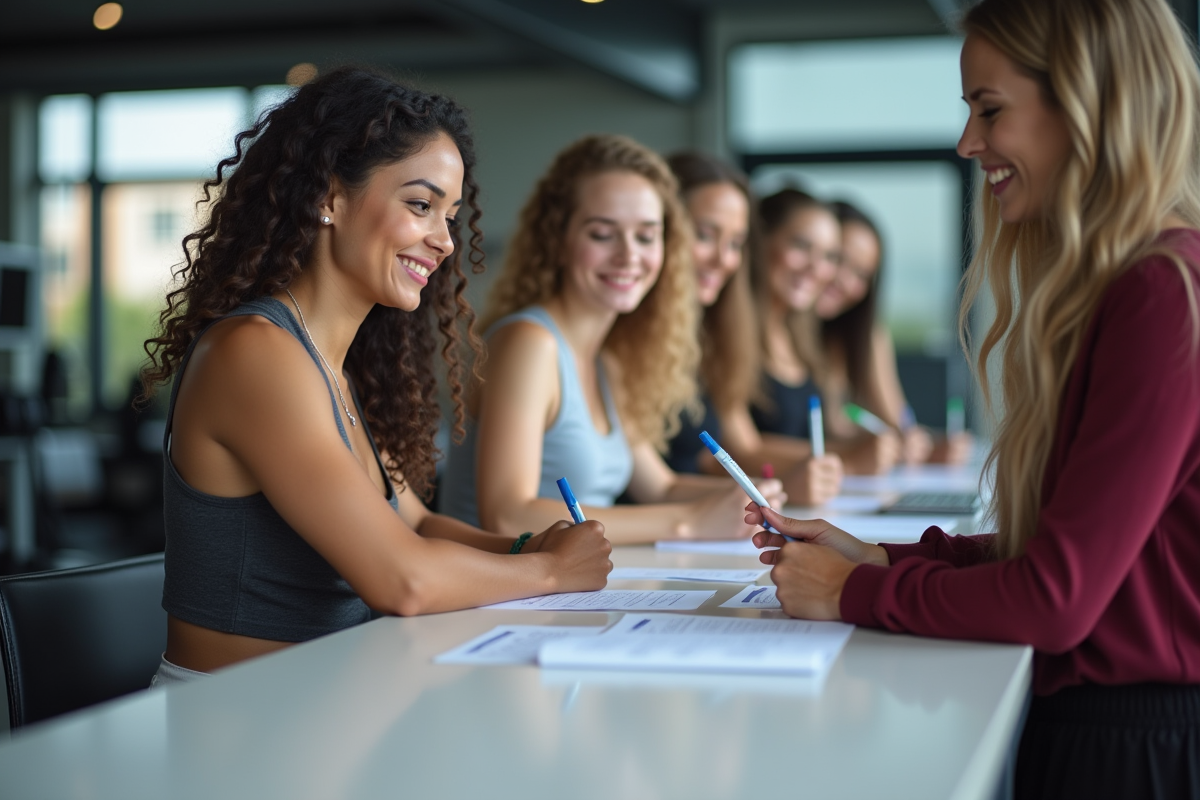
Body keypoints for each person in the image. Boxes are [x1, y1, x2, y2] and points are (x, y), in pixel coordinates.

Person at [749, 0, 1200, 795]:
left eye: (990, 110)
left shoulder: (1162, 290)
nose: (968, 143)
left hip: (1135, 746)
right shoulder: (1140, 282)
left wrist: (854, 592)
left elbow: (1055, 599)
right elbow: (1072, 555)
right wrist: (883, 556)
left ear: (1090, 104)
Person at [140, 68, 612, 684]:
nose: (444, 242)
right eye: (420, 205)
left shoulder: (331, 364)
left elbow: (413, 522)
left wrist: (530, 548)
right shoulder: (254, 352)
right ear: (327, 198)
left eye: (449, 216)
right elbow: (403, 578)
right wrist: (553, 574)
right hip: (234, 728)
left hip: (329, 704)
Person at [439, 135, 784, 544]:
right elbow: (509, 514)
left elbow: (661, 488)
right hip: (490, 600)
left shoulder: (609, 361)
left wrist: (751, 499)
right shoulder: (528, 342)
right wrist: (688, 521)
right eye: (603, 235)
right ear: (557, 239)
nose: (629, 256)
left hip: (566, 593)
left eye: (645, 236)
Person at [663, 152, 843, 505]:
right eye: (703, 234)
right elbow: (720, 457)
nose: (722, 258)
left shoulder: (704, 332)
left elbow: (673, 477)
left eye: (734, 243)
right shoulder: (688, 336)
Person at [751, 189, 901, 475]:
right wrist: (849, 459)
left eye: (829, 256)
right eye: (801, 245)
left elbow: (831, 428)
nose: (820, 270)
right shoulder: (738, 338)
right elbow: (740, 447)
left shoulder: (800, 336)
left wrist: (869, 444)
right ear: (761, 241)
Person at [815, 200, 971, 464]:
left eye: (862, 274)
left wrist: (927, 445)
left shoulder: (866, 336)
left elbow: (896, 422)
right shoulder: (778, 333)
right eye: (837, 259)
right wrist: (863, 447)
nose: (845, 281)